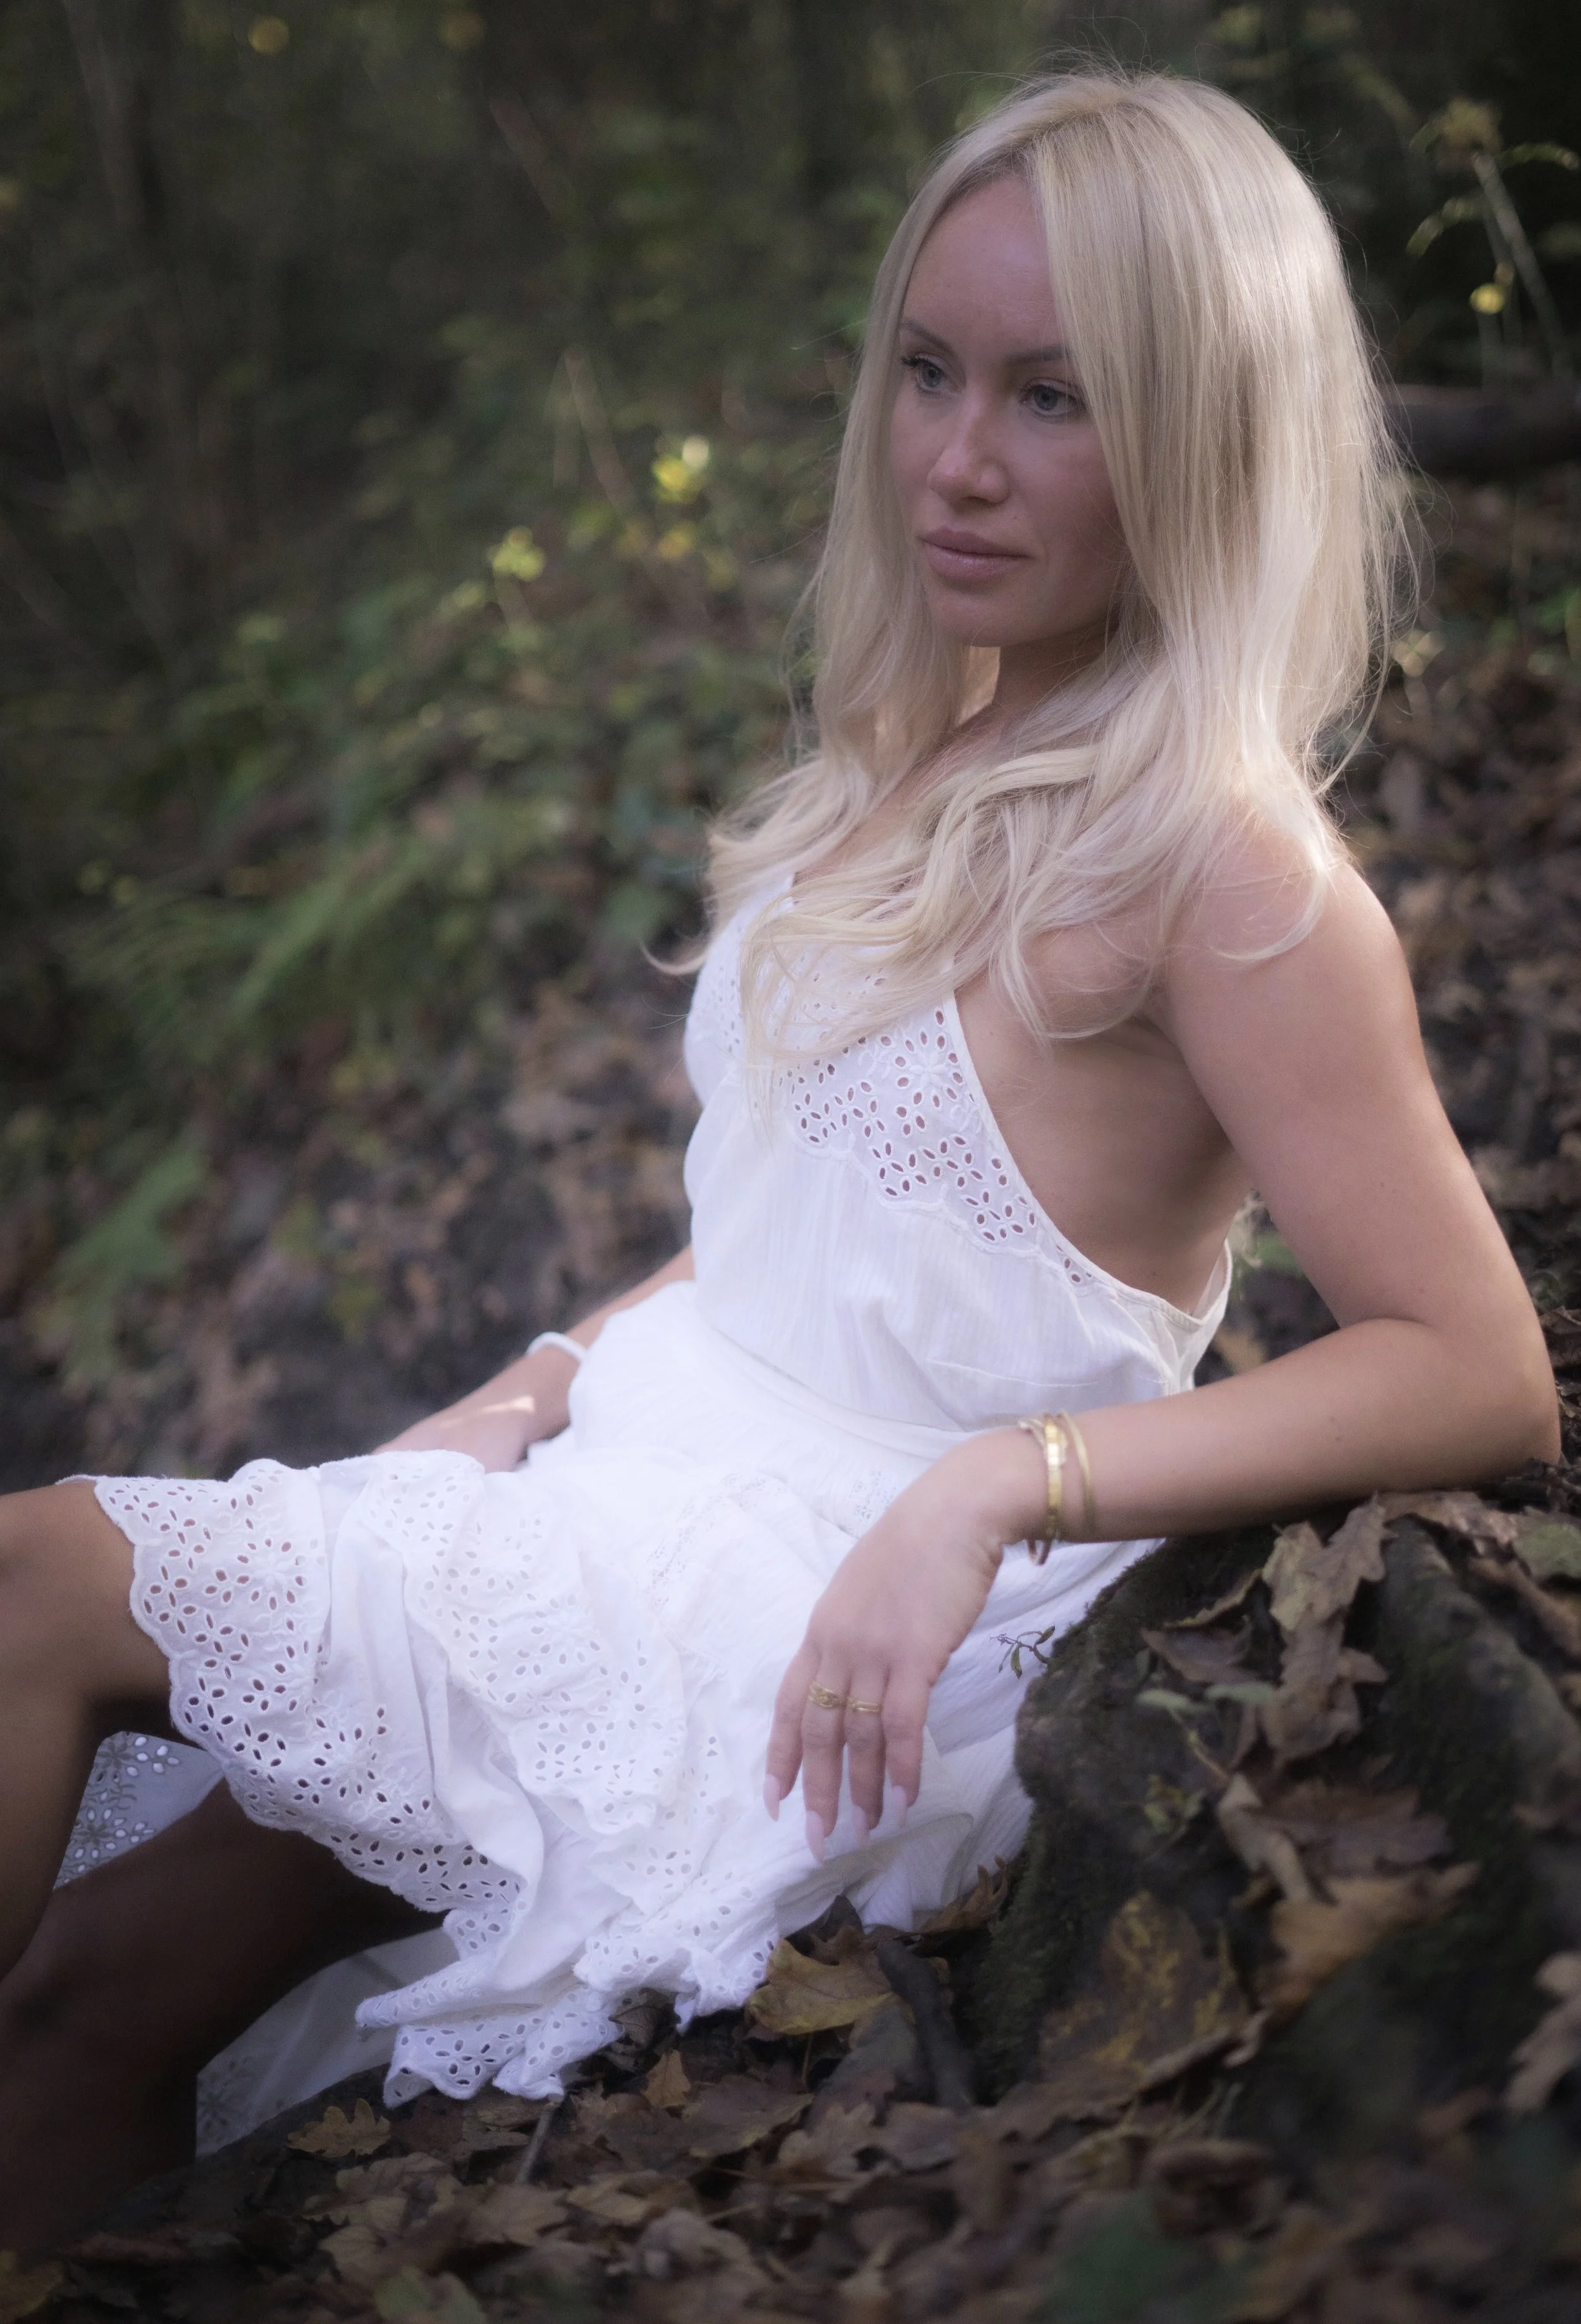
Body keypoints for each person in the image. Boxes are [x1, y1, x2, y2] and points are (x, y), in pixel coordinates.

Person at [0, 68, 1558, 2252]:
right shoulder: (930, 741)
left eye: (1050, 398)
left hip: (791, 1599)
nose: (952, 456)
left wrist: (994, 1479)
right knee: (87, 1994)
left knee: (38, 1574)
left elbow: (1476, 1361)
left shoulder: (1228, 868)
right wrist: (527, 1384)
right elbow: (794, 1227)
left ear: (1206, 434)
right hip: (630, 1476)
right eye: (927, 371)